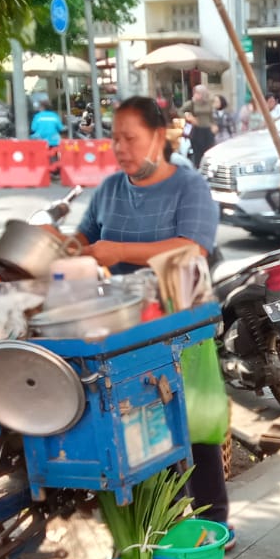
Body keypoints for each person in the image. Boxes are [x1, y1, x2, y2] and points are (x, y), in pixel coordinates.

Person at [75, 97, 229, 525]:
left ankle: (213, 520)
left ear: (158, 137)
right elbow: (84, 237)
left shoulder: (188, 185)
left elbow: (194, 246)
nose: (120, 148)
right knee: (140, 420)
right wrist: (60, 245)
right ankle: (162, 522)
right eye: (115, 139)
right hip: (127, 324)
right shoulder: (109, 189)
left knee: (191, 417)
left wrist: (119, 250)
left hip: (181, 313)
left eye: (130, 138)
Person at [184, 84, 216, 167]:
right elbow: (180, 111)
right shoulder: (192, 103)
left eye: (198, 93)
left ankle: (208, 169)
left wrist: (214, 124)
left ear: (203, 94)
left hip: (208, 130)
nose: (196, 95)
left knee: (209, 152)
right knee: (197, 153)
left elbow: (211, 115)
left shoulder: (209, 102)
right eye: (195, 93)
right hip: (196, 130)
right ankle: (198, 169)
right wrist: (189, 117)